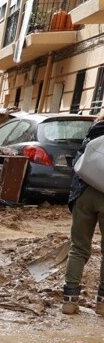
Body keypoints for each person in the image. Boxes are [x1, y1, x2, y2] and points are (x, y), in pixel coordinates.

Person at [62, 108, 104, 315]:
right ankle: (102, 303)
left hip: (85, 193)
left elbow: (79, 165)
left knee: (78, 248)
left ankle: (69, 300)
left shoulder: (94, 132)